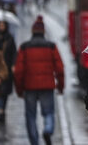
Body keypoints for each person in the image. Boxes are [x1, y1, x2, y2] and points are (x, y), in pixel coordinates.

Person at [14, 16, 64, 145]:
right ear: (43, 32)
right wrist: (60, 86)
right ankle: (48, 129)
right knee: (49, 112)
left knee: (30, 116)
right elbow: (60, 68)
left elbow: (18, 71)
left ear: (32, 31)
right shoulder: (51, 46)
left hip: (29, 87)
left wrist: (19, 89)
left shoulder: (24, 47)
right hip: (47, 86)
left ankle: (34, 141)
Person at [0, 21, 17, 123]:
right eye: (0, 25)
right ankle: (1, 110)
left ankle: (2, 109)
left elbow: (14, 52)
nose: (1, 27)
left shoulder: (9, 38)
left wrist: (13, 65)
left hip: (6, 68)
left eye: (3, 25)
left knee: (5, 91)